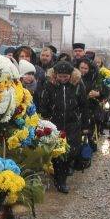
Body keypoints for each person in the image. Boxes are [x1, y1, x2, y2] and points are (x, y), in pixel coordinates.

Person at [37, 60, 85, 193]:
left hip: (72, 123)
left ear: (70, 75)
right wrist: (46, 118)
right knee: (58, 152)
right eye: (60, 76)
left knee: (70, 152)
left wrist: (85, 124)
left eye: (66, 77)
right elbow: (44, 103)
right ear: (55, 75)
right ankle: (60, 179)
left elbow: (83, 104)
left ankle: (62, 175)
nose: (63, 79)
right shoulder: (50, 85)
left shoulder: (77, 85)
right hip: (55, 124)